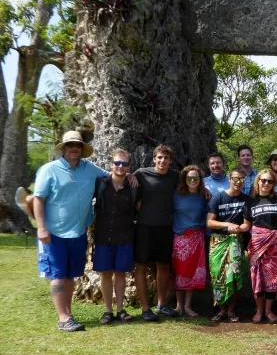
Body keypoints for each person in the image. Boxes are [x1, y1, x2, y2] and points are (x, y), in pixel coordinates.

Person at [33, 131, 110, 331]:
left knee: (70, 275)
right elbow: (38, 199)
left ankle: (67, 314)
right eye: (70, 145)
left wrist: (131, 177)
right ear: (64, 148)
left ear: (82, 149)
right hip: (53, 233)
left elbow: (111, 177)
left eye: (77, 145)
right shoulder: (49, 170)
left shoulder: (90, 169)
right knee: (58, 274)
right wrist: (41, 228)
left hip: (78, 232)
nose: (74, 148)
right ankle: (63, 318)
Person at [133, 144, 180, 321]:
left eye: (166, 158)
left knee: (163, 265)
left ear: (170, 160)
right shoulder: (141, 173)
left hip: (165, 226)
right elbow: (130, 189)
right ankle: (145, 308)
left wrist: (204, 189)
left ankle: (161, 304)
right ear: (154, 158)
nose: (162, 161)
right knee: (141, 265)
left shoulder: (175, 176)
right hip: (144, 226)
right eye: (159, 157)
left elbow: (191, 184)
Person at [93, 149, 137, 324]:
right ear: (111, 164)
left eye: (125, 164)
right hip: (103, 236)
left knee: (120, 274)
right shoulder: (99, 183)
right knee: (105, 274)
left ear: (129, 166)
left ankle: (120, 309)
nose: (120, 166)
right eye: (117, 163)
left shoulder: (133, 186)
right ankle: (108, 311)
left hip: (124, 236)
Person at [243, 169, 277, 324]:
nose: (266, 184)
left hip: (275, 246)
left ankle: (269, 310)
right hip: (257, 245)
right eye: (263, 180)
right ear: (258, 181)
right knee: (257, 277)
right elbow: (247, 225)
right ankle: (259, 309)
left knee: (272, 278)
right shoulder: (250, 202)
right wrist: (232, 228)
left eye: (270, 181)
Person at [206, 169, 252, 323]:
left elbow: (247, 224)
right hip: (218, 240)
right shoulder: (218, 197)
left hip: (236, 240)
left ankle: (231, 310)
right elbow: (210, 222)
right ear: (230, 179)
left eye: (241, 180)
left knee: (233, 275)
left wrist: (238, 228)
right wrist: (227, 224)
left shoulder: (247, 200)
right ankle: (221, 310)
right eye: (235, 179)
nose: (238, 182)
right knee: (217, 275)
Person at [172, 165, 208, 317]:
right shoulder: (176, 195)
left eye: (196, 178)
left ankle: (188, 306)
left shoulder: (204, 196)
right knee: (180, 272)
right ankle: (178, 305)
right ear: (184, 179)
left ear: (200, 180)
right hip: (180, 238)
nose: (193, 180)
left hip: (197, 237)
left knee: (193, 272)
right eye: (189, 178)